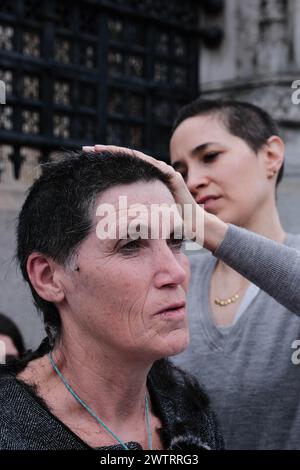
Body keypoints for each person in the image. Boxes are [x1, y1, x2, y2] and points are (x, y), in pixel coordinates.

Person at [86, 99, 300, 450]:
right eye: (181, 169)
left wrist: (204, 227)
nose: (194, 181)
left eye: (210, 156)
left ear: (271, 156)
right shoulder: (174, 274)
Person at [0, 150, 224, 451]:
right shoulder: (11, 429)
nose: (174, 272)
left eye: (175, 241)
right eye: (131, 245)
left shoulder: (187, 406)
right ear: (49, 278)